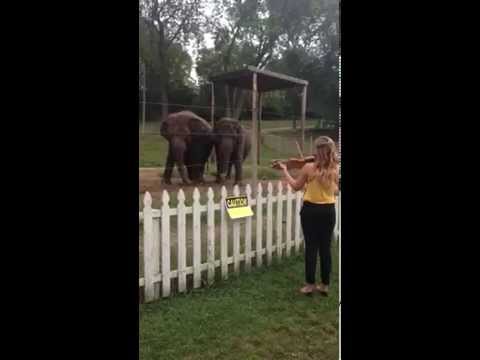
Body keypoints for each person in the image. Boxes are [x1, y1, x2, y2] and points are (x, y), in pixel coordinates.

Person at [278, 136, 339, 295]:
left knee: (311, 247)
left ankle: (310, 285)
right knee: (326, 248)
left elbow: (296, 187)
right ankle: (325, 285)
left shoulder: (308, 168)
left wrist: (285, 170)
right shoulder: (336, 168)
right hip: (328, 211)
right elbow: (336, 191)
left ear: (317, 150)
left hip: (311, 211)